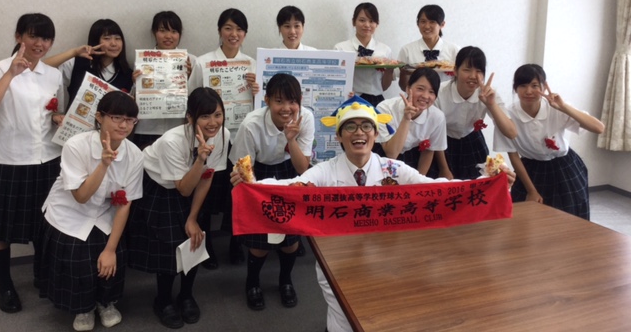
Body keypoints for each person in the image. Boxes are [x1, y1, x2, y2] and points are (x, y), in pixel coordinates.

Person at [231, 95, 516, 332]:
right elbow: (292, 188)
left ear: (376, 133)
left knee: (380, 317)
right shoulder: (325, 171)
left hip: (386, 260)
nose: (359, 133)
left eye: (366, 126)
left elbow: (435, 189)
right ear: (339, 136)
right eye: (350, 127)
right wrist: (252, 185)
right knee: (343, 321)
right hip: (337, 262)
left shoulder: (393, 169)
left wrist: (487, 182)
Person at [39, 91, 143, 331]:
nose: (124, 125)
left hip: (105, 212)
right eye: (116, 117)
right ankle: (82, 307)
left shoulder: (134, 154)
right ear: (99, 117)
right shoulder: (76, 145)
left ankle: (105, 302)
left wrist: (111, 249)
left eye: (130, 119)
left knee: (112, 256)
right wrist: (104, 164)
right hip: (69, 213)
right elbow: (81, 196)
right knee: (77, 258)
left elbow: (125, 202)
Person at [127, 87, 229, 329]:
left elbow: (206, 178)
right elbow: (183, 188)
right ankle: (162, 300)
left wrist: (193, 218)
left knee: (195, 237)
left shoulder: (222, 134)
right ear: (190, 118)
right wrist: (201, 159)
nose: (213, 122)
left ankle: (186, 295)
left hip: (192, 183)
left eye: (217, 115)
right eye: (205, 116)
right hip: (160, 186)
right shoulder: (172, 141)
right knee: (169, 244)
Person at [0, 13, 64, 314]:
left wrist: (58, 117)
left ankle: (42, 275)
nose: (40, 43)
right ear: (19, 36)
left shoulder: (53, 74)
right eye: (33, 36)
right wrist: (11, 74)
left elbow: (53, 111)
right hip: (8, 159)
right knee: (0, 228)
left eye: (46, 38)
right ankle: (4, 284)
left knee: (44, 223)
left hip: (47, 158)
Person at [229, 73, 314, 311]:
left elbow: (302, 168)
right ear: (266, 100)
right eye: (279, 101)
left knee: (290, 240)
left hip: (290, 168)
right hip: (258, 172)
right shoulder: (251, 124)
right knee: (260, 241)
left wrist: (291, 139)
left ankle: (285, 280)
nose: (286, 108)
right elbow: (245, 168)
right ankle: (252, 283)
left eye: (292, 101)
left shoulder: (306, 118)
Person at [188, 8, 258, 266]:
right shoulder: (203, 62)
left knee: (239, 191)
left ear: (245, 34)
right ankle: (206, 245)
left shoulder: (252, 64)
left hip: (242, 137)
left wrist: (257, 90)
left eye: (239, 29)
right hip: (212, 138)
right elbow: (192, 99)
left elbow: (262, 107)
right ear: (219, 31)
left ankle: (236, 243)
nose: (233, 34)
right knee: (207, 192)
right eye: (228, 28)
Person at [494, 64, 604, 220]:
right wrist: (531, 190)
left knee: (570, 217)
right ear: (515, 88)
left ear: (544, 87)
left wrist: (563, 107)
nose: (529, 91)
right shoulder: (508, 115)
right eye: (523, 85)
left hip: (565, 166)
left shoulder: (556, 108)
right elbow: (513, 156)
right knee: (527, 219)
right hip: (530, 169)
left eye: (534, 86)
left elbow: (599, 128)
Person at [434, 46, 517, 180]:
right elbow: (434, 133)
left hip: (472, 140)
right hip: (442, 143)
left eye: (479, 71)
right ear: (455, 71)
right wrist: (444, 168)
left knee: (476, 186)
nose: (473, 76)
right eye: (467, 70)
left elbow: (511, 133)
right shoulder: (439, 92)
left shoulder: (488, 93)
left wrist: (491, 104)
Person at [132, 11, 197, 150]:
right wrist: (136, 83)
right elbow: (133, 99)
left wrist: (190, 78)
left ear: (179, 34)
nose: (168, 36)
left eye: (174, 31)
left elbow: (198, 98)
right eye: (162, 31)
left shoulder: (191, 61)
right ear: (154, 33)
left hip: (179, 128)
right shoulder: (143, 60)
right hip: (147, 129)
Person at [374, 68, 447, 176]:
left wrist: (419, 179)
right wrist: (406, 118)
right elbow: (391, 153)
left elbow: (429, 150)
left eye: (431, 92)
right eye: (420, 89)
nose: (425, 96)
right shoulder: (385, 108)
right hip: (384, 156)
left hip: (413, 157)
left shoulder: (437, 117)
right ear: (408, 88)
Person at [46, 19, 133, 107]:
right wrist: (74, 52)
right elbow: (42, 67)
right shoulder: (77, 63)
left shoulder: (128, 74)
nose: (114, 43)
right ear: (96, 41)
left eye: (118, 38)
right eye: (107, 38)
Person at [334, 2, 394, 106]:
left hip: (377, 100)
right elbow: (335, 80)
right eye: (362, 20)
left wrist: (390, 70)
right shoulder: (341, 48)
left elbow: (384, 87)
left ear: (377, 24)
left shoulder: (385, 50)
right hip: (350, 99)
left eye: (372, 21)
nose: (367, 25)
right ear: (353, 22)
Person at [398, 4, 459, 90]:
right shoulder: (407, 50)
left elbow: (460, 80)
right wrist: (403, 73)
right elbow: (403, 86)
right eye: (423, 21)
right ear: (417, 24)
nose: (427, 26)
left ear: (442, 24)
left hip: (447, 97)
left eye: (432, 22)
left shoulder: (454, 50)